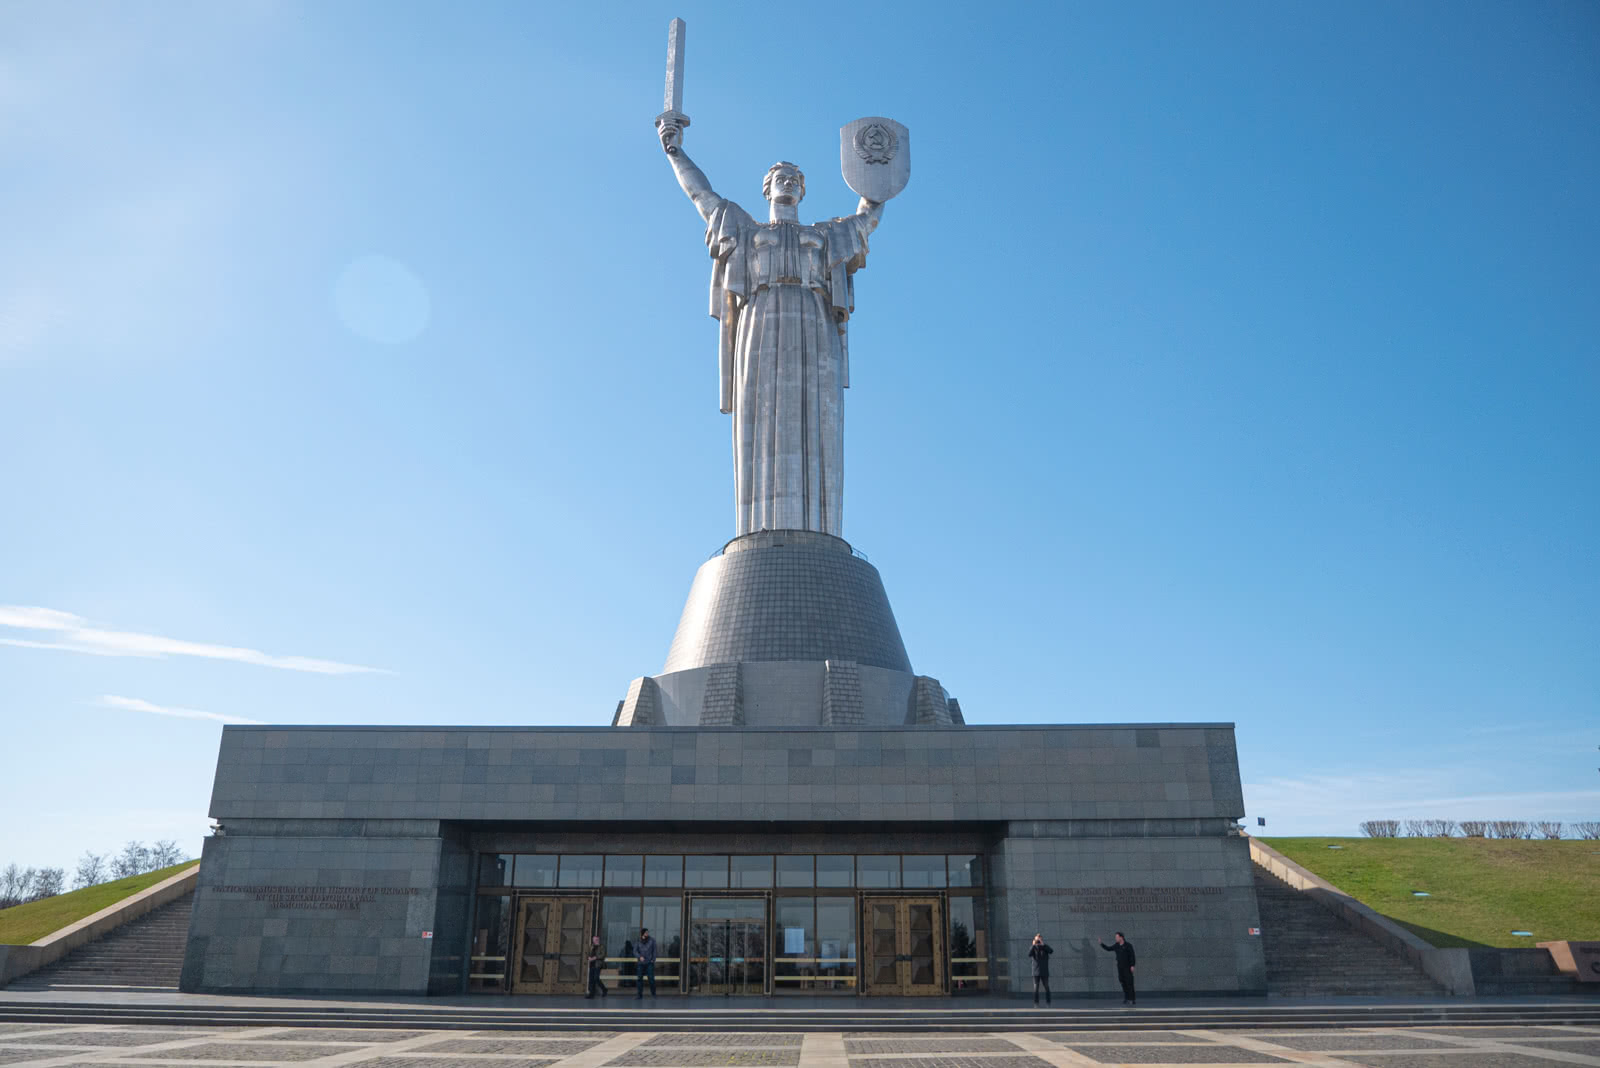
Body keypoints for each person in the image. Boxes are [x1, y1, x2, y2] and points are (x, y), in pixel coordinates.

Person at [657, 117, 884, 538]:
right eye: (781, 177)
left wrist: (877, 175)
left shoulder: (825, 235)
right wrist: (675, 151)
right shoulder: (745, 230)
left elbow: (867, 219)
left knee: (817, 418)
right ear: (768, 188)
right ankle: (759, 530)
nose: (789, 182)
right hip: (760, 320)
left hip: (813, 323)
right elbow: (700, 195)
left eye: (796, 179)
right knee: (761, 416)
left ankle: (818, 529)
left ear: (802, 190)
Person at [1100, 931, 1137, 1005]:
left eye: (1117, 937)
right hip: (1120, 967)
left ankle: (1132, 999)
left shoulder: (1128, 945)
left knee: (1129, 983)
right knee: (1123, 982)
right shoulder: (1116, 945)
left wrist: (1132, 965)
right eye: (1115, 937)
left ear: (1121, 937)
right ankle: (1127, 998)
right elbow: (1109, 948)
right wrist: (1101, 944)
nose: (1116, 938)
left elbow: (1132, 956)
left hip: (1127, 967)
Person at [1028, 933, 1053, 1006]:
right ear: (1034, 940)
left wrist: (1043, 945)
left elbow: (1051, 951)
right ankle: (1036, 1003)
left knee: (1047, 987)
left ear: (1042, 939)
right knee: (1036, 988)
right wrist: (1033, 945)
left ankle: (1048, 1002)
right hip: (1036, 971)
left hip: (1044, 971)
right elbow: (1029, 954)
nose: (1038, 941)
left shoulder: (1045, 947)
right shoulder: (1033, 948)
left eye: (1039, 939)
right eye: (1037, 940)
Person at [635, 926, 658, 998]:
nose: (647, 933)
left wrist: (653, 960)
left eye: (648, 932)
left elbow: (655, 951)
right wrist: (639, 957)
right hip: (640, 963)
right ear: (643, 933)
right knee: (639, 979)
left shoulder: (652, 940)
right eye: (646, 932)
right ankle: (639, 994)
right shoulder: (638, 941)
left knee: (651, 979)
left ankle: (653, 994)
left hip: (649, 963)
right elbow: (635, 951)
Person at [585, 935, 607, 999]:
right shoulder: (591, 946)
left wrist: (595, 958)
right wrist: (588, 957)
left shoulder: (602, 946)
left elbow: (603, 955)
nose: (595, 941)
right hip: (591, 964)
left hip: (598, 964)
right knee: (591, 979)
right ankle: (591, 994)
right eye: (594, 939)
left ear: (598, 939)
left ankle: (604, 989)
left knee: (596, 978)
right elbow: (588, 953)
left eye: (596, 939)